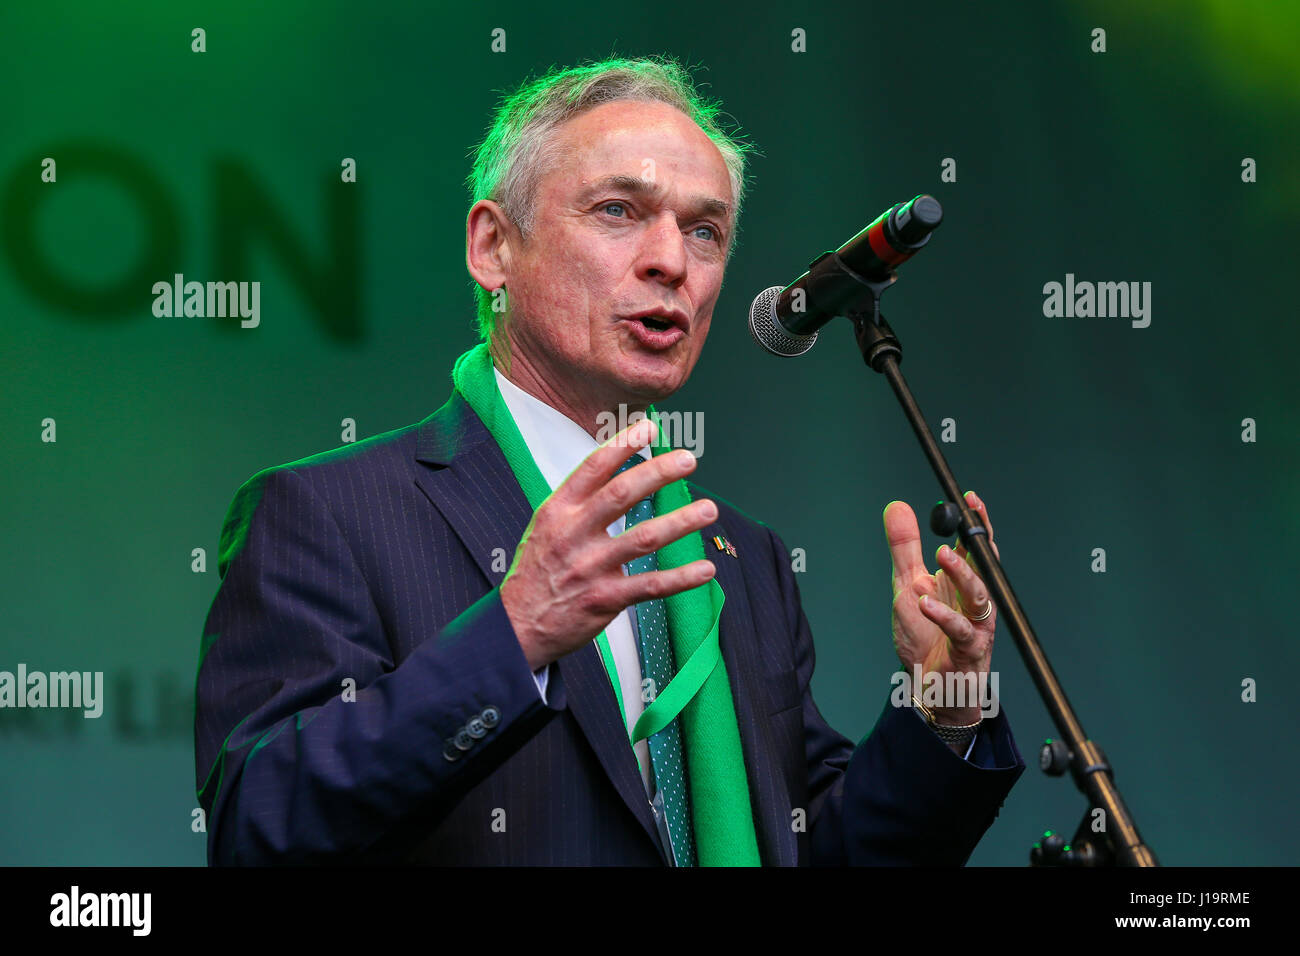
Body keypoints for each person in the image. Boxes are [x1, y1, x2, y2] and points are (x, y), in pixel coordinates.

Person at [194, 55, 1025, 866]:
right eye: (620, 211)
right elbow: (260, 823)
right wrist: (516, 634)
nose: (672, 261)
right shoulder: (328, 514)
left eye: (706, 230)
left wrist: (943, 703)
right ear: (493, 248)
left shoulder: (744, 556)